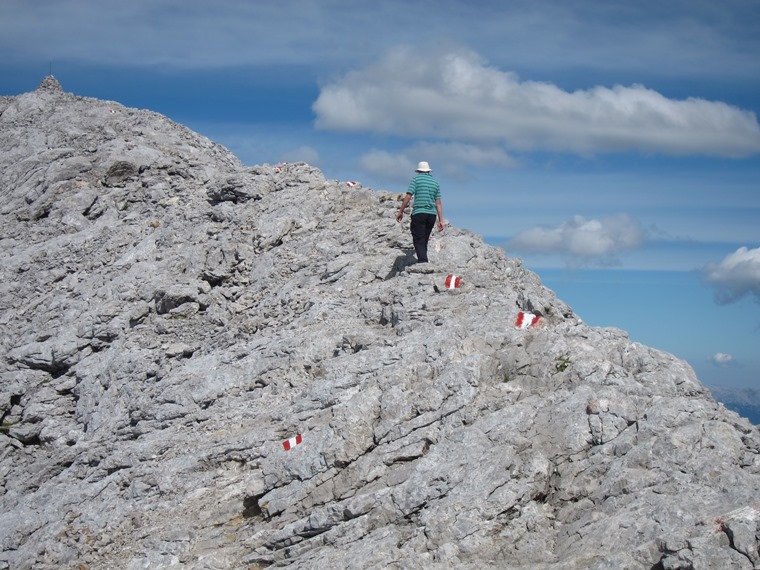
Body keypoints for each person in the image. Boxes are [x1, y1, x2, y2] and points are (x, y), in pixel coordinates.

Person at [395, 161, 444, 263]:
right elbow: (438, 202)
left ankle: (423, 262)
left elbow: (408, 196)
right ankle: (423, 259)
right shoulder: (435, 183)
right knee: (424, 239)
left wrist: (401, 211)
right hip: (431, 215)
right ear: (428, 171)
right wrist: (440, 220)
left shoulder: (416, 180)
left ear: (418, 171)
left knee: (418, 238)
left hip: (419, 212)